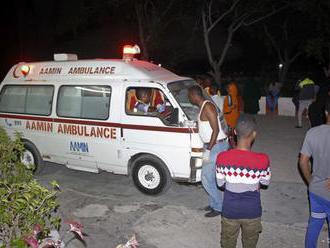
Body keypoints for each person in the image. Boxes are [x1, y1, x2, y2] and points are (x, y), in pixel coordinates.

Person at [216, 115, 271, 248]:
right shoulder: (263, 159)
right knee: (250, 243)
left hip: (230, 211)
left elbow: (220, 184)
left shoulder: (222, 157)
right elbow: (265, 183)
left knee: (227, 242)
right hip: (252, 212)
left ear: (234, 132)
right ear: (254, 134)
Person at [188, 85, 229, 217]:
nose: (189, 98)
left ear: (194, 96)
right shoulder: (202, 107)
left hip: (216, 146)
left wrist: (209, 149)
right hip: (209, 146)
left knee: (206, 176)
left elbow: (216, 130)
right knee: (207, 176)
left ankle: (218, 207)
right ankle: (214, 203)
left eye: (189, 95)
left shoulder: (208, 107)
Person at [299, 97, 330, 248]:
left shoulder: (313, 132)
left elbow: (303, 161)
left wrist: (311, 181)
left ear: (326, 112)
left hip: (316, 191)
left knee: (314, 224)